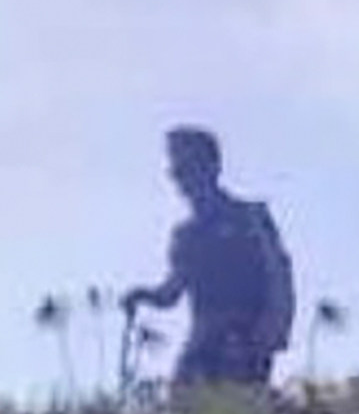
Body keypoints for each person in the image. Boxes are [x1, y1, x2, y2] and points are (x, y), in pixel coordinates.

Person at [122, 127, 295, 389]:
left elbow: (279, 275)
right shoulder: (186, 235)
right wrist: (142, 295)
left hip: (248, 338)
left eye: (188, 169)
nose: (182, 181)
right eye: (176, 172)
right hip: (205, 338)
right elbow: (172, 291)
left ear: (212, 168)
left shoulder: (250, 217)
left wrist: (272, 332)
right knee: (184, 401)